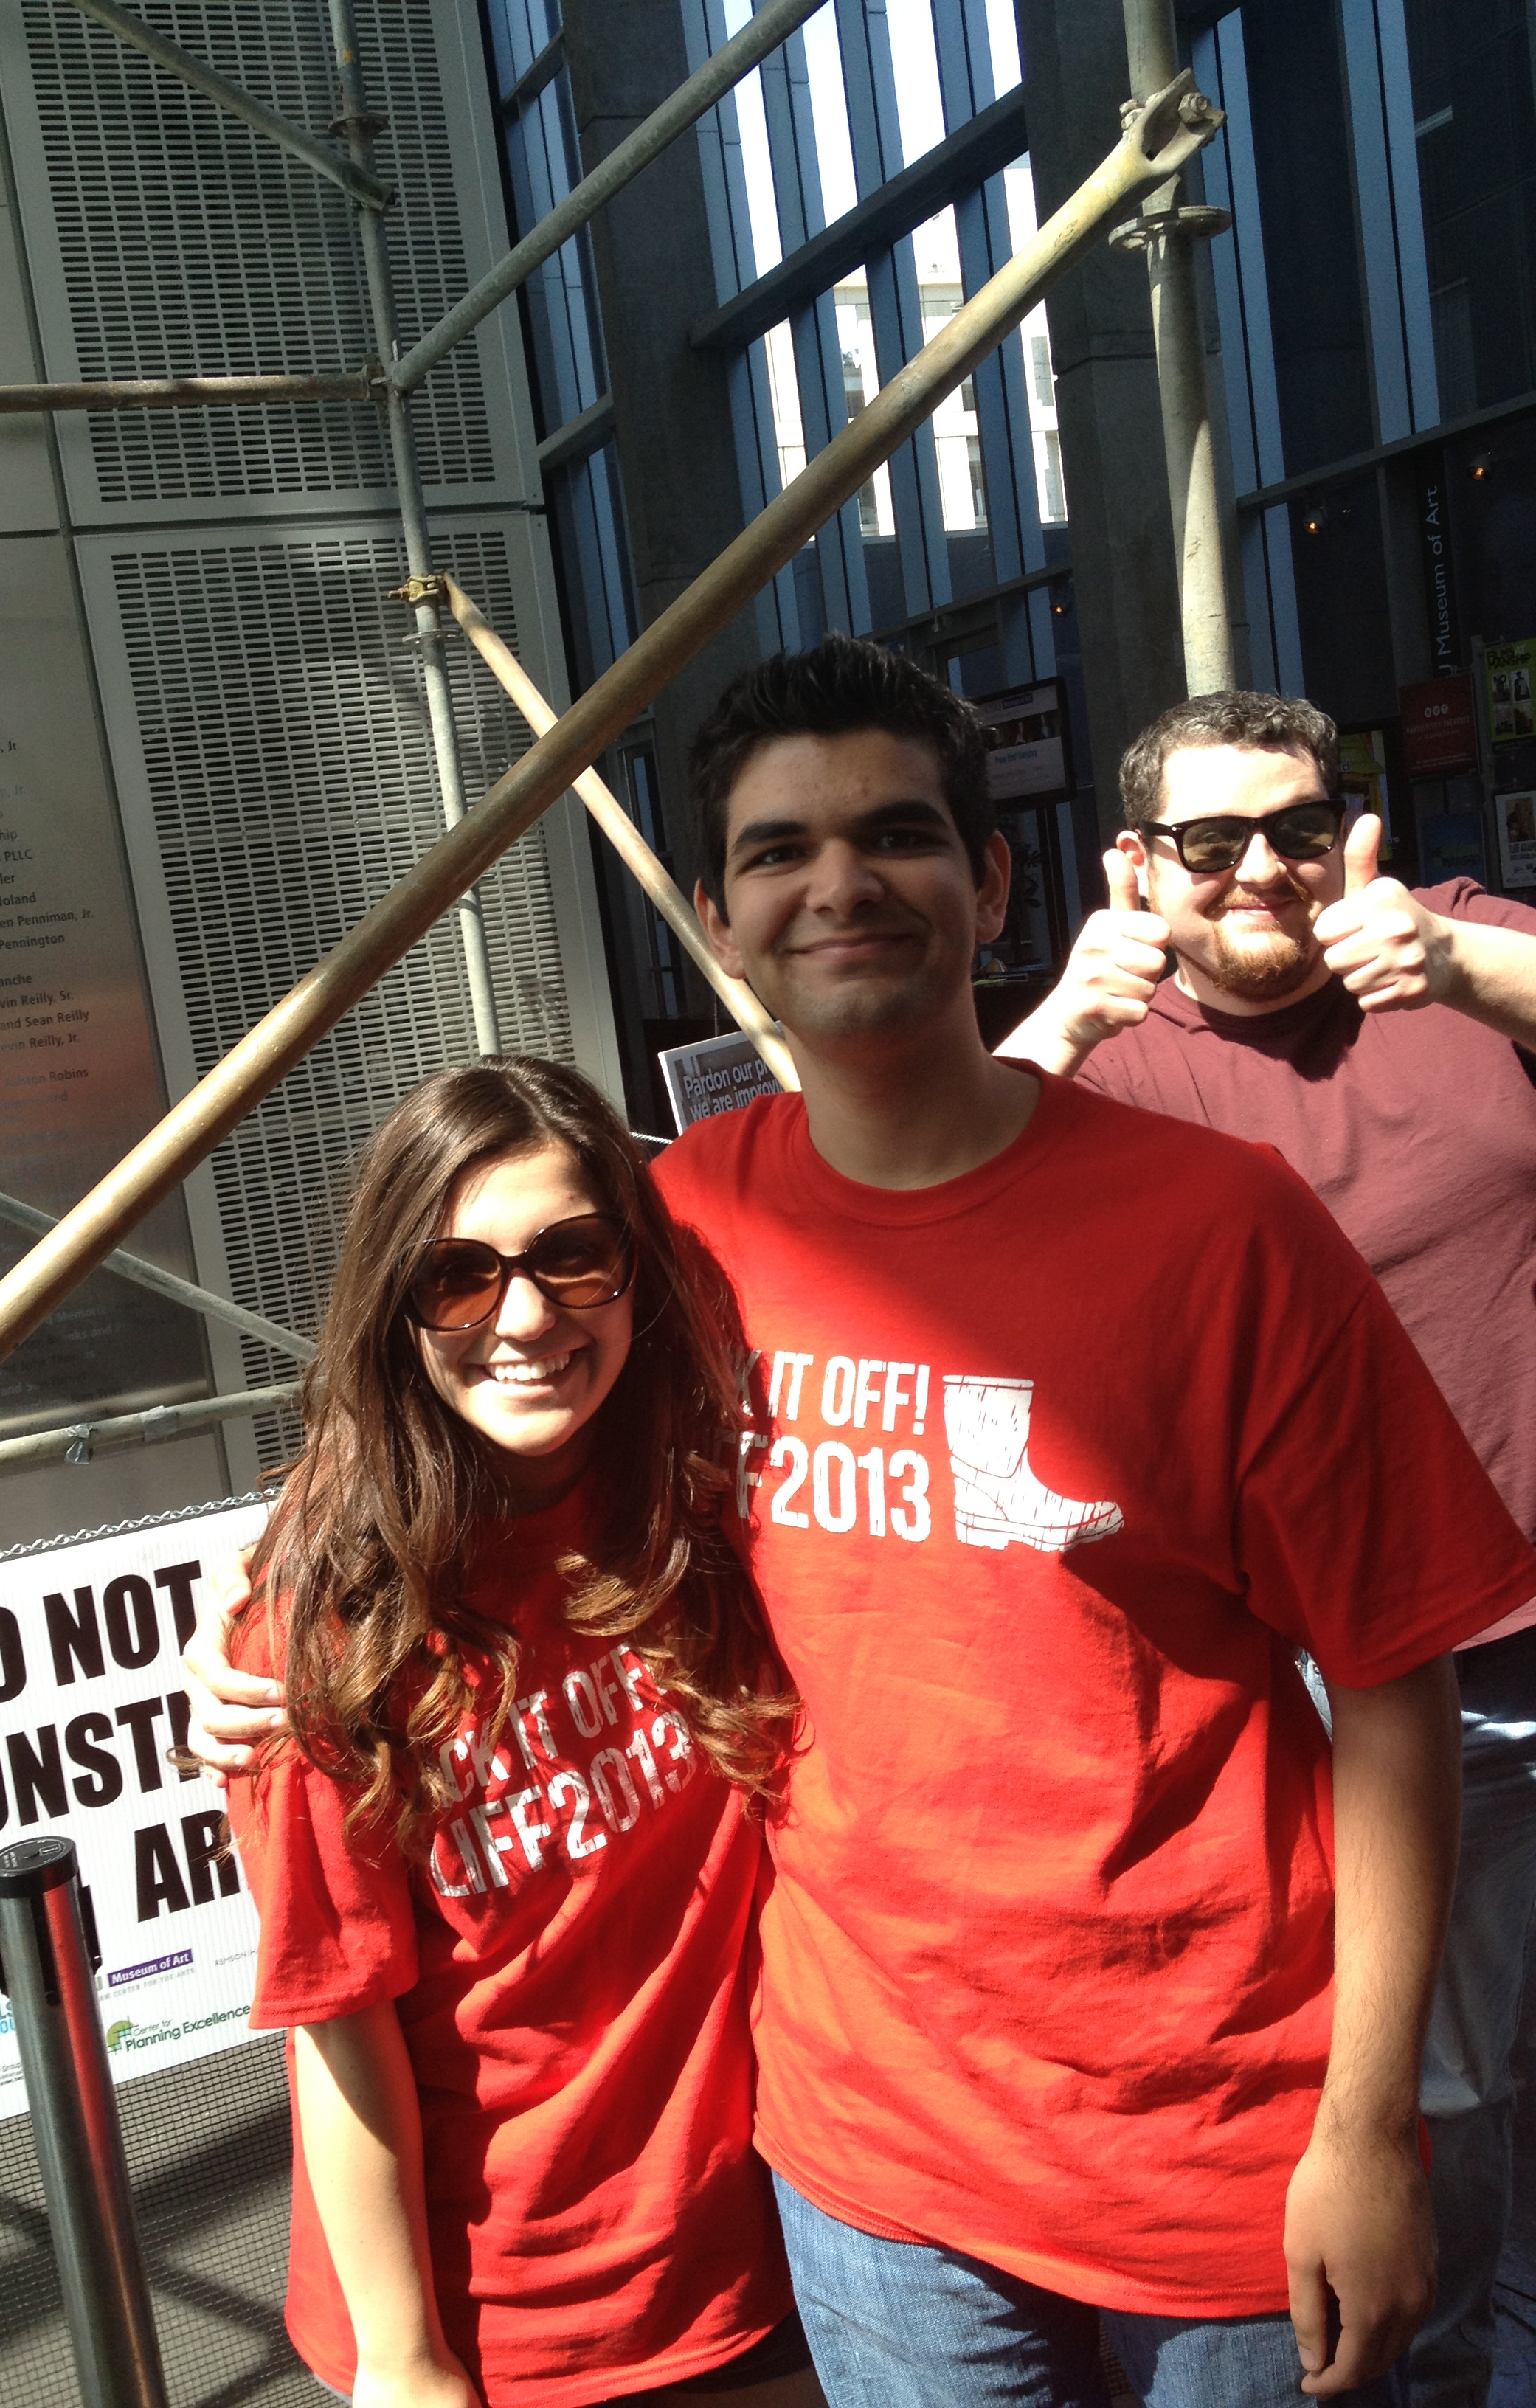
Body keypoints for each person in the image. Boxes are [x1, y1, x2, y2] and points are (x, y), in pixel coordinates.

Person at [191, 637, 1536, 2408]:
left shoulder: (1228, 1230)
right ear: (720, 915)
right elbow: (471, 1346)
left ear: (991, 882)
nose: (841, 883)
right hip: (866, 2182)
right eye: (778, 851)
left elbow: (1391, 1687)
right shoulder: (684, 1227)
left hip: (1212, 2151)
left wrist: (1367, 2128)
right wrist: (276, 1569)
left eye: (896, 833)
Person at [998, 689, 1536, 2407]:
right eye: (1210, 844)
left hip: (1531, 1606)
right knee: (1432, 2096)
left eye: (1298, 828)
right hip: (1342, 1675)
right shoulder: (1107, 1048)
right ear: (1132, 867)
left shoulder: (1451, 947)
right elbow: (913, 1219)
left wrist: (1463, 977)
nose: (1267, 873)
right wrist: (1042, 1050)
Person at [220, 1056, 822, 2408]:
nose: (527, 1314)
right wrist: (405, 2359)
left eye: (573, 1256)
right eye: (460, 1276)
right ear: (398, 1307)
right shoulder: (332, 1622)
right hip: (507, 2321)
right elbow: (338, 2020)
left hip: (766, 2254)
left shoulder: (700, 1505)